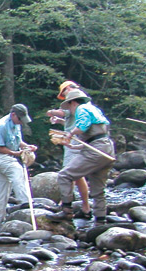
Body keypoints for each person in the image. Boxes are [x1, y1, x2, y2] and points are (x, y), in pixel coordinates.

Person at [46, 89, 115, 222]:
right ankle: (101, 219)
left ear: (73, 103)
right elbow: (96, 138)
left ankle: (66, 210)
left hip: (96, 150)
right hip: (106, 148)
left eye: (69, 106)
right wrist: (74, 146)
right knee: (98, 189)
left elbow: (83, 126)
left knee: (65, 175)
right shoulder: (94, 109)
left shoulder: (81, 109)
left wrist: (70, 134)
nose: (70, 111)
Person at [46, 81, 91, 218]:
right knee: (75, 175)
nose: (64, 95)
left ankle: (71, 206)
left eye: (63, 92)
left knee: (70, 173)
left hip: (75, 139)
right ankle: (79, 205)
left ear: (68, 89)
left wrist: (51, 112)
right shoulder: (83, 102)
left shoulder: (76, 100)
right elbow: (73, 121)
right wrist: (60, 122)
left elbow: (64, 113)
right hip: (76, 138)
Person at [0, 104, 37, 223]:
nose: (21, 122)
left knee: (2, 187)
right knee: (17, 171)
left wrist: (27, 146)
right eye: (20, 119)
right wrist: (16, 154)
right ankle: (25, 201)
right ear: (13, 115)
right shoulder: (1, 126)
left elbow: (18, 141)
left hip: (6, 155)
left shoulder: (16, 124)